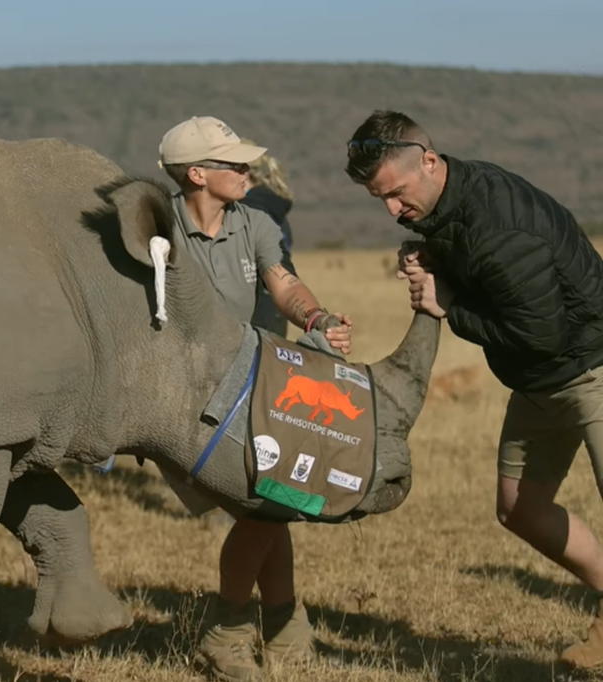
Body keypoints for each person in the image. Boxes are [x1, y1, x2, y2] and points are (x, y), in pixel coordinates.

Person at [343, 109, 603, 672]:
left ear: (429, 162)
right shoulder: (450, 198)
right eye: (379, 199)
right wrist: (429, 254)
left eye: (396, 193)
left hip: (592, 368)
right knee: (520, 510)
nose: (391, 211)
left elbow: (539, 332)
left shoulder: (498, 224)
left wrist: (447, 303)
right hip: (541, 379)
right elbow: (487, 273)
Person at [157, 115, 354, 681]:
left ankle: (277, 625)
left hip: (247, 381)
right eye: (234, 163)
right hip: (181, 393)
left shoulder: (254, 222)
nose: (248, 170)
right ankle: (232, 629)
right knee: (265, 502)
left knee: (271, 500)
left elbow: (284, 284)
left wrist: (316, 317)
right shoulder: (158, 230)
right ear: (197, 174)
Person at [239, 143, 296, 337]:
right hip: (276, 309)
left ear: (244, 172)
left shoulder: (250, 210)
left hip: (257, 311)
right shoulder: (272, 205)